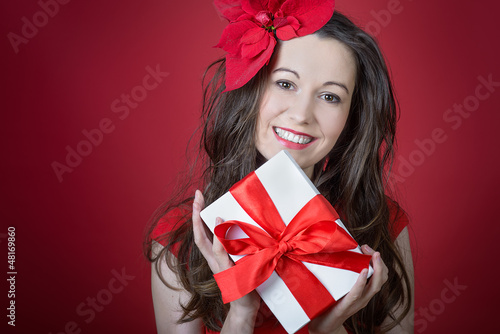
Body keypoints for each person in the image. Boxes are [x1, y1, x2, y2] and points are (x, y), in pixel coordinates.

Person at [145, 1, 414, 333]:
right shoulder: (181, 237)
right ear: (251, 87)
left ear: (351, 117)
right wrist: (242, 312)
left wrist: (326, 328)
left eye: (330, 97)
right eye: (285, 84)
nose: (302, 114)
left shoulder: (381, 224)